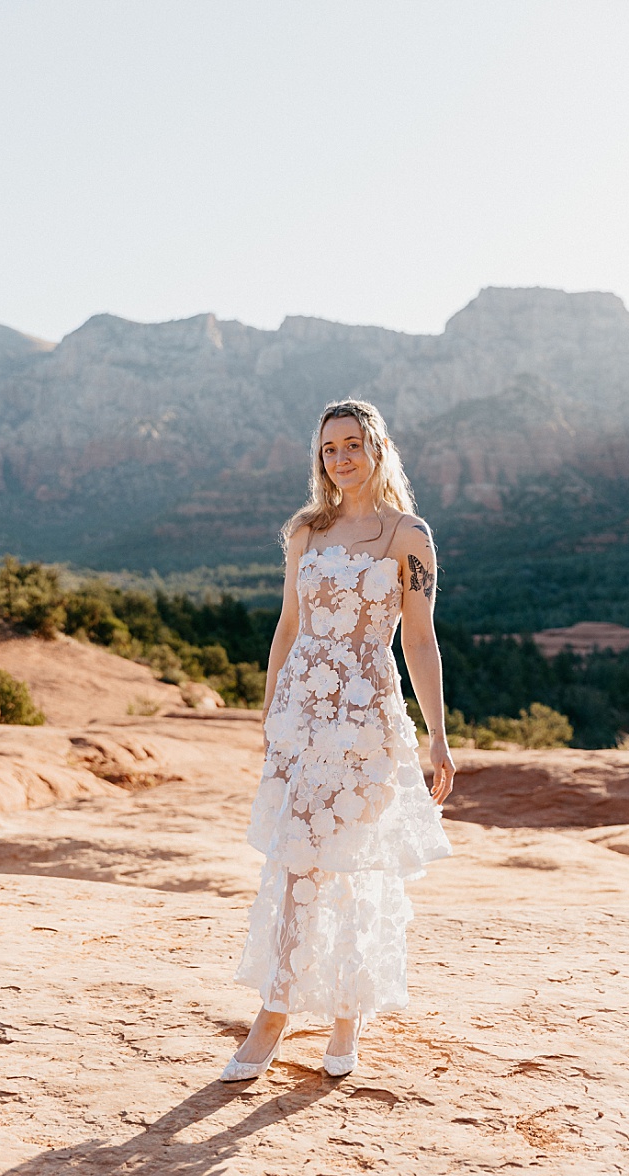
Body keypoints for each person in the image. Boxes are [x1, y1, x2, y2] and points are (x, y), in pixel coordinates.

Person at [220, 399, 457, 1082]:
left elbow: (418, 637)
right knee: (295, 863)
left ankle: (349, 1014)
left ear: (378, 448)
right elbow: (288, 626)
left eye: (353, 444)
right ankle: (274, 1012)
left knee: (354, 863)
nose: (342, 458)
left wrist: (437, 735)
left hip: (369, 717)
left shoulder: (409, 535)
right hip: (302, 716)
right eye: (330, 449)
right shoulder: (306, 531)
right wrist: (271, 716)